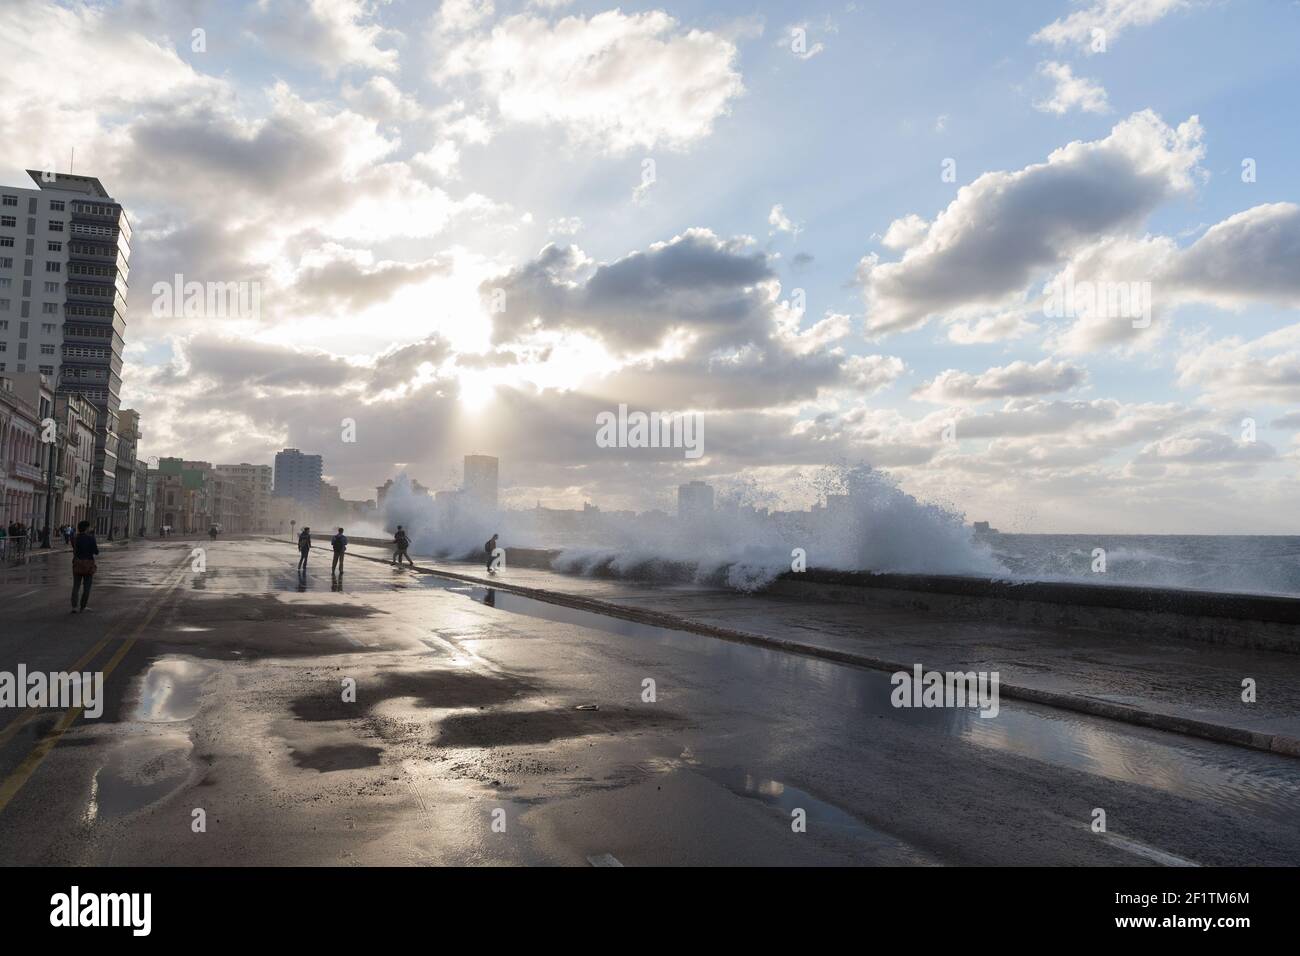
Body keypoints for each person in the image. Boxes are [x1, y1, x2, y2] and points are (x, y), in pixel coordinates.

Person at [70, 520, 98, 613]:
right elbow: (96, 552)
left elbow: (75, 549)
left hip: (77, 563)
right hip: (88, 565)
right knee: (87, 587)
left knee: (76, 586)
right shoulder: (91, 538)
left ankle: (74, 606)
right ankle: (83, 606)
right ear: (86, 528)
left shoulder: (75, 538)